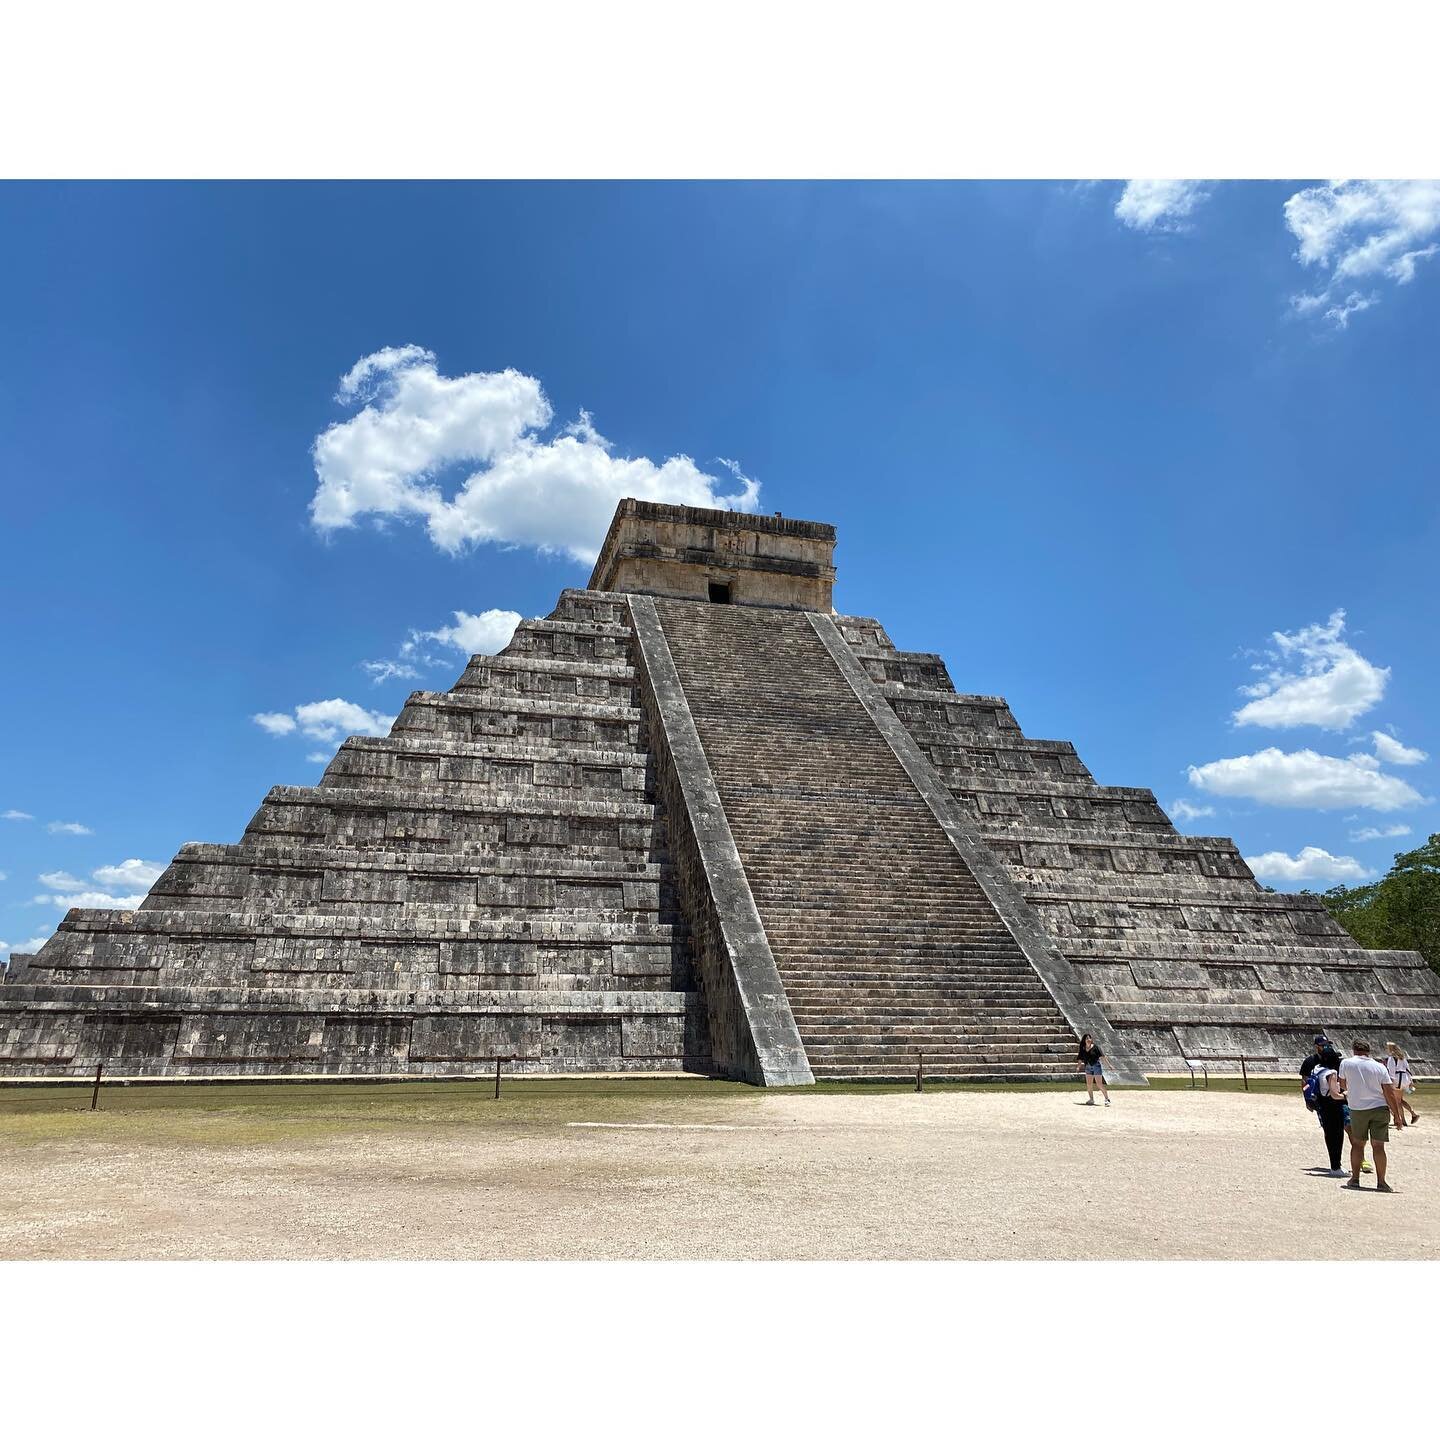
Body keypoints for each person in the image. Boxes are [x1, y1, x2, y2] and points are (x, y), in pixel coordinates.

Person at [1339, 1039, 1398, 1192]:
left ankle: (1355, 1178)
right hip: (1379, 1108)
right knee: (1378, 1146)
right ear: (1368, 1051)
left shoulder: (1346, 1063)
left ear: (1354, 1050)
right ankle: (1381, 1181)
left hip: (1358, 1108)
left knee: (1358, 1144)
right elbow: (1389, 1093)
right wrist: (1397, 1115)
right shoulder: (1380, 1067)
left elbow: (1343, 1085)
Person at [1310, 1046, 1348, 1177]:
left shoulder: (1317, 1069)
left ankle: (1334, 1164)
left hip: (1321, 1104)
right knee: (1337, 1136)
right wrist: (1347, 1095)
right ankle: (1336, 1166)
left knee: (1328, 1134)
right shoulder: (1331, 1072)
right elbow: (1334, 1094)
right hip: (1332, 1105)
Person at [1385, 1042, 1420, 1127]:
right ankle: (1413, 1114)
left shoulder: (1391, 1058)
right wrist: (1410, 1081)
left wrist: (1390, 1083)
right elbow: (1407, 1069)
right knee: (1399, 1100)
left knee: (1396, 1101)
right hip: (1404, 1079)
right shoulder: (1402, 1057)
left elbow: (1391, 1071)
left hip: (1397, 1080)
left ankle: (1403, 1120)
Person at [1076, 1033, 1109, 1106]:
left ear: (1091, 1040)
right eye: (1087, 1038)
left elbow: (1103, 1057)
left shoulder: (1096, 1047)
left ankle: (1107, 1099)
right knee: (1089, 1084)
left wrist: (1109, 1065)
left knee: (1099, 1084)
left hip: (1096, 1066)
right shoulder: (1083, 1048)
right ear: (1084, 1040)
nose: (1088, 1040)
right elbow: (1080, 1059)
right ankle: (1091, 1099)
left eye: (1089, 1038)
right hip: (1088, 1067)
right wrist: (1078, 1066)